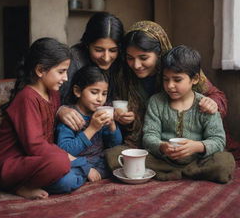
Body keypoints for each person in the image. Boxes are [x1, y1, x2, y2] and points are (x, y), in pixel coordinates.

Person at [105, 20, 229, 170]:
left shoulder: (181, 67)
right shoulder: (123, 75)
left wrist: (211, 103)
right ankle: (174, 170)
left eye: (143, 58)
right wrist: (120, 117)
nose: (136, 65)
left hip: (194, 148)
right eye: (130, 58)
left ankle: (174, 170)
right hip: (152, 145)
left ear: (159, 54)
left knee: (223, 162)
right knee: (114, 156)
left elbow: (215, 96)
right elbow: (113, 106)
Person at [0, 38, 87, 199]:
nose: (66, 78)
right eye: (61, 71)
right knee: (62, 164)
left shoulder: (53, 93)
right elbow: (34, 145)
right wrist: (68, 158)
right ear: (40, 70)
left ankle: (60, 175)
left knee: (68, 175)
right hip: (9, 165)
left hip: (33, 161)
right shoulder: (27, 97)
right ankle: (18, 187)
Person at [142, 45, 235, 183]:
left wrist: (198, 146)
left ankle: (179, 172)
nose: (170, 85)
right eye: (166, 79)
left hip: (197, 161)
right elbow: (149, 136)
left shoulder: (205, 105)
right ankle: (181, 172)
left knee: (224, 161)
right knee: (118, 155)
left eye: (177, 79)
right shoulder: (156, 102)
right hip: (164, 160)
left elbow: (218, 140)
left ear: (195, 79)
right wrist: (162, 146)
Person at [58, 12, 129, 132]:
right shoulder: (72, 60)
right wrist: (60, 110)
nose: (106, 58)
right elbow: (49, 95)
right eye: (98, 50)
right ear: (87, 44)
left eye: (113, 50)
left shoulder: (121, 61)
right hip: (71, 132)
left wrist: (118, 113)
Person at [56, 66, 122, 181]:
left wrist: (112, 125)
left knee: (121, 155)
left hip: (99, 160)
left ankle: (94, 174)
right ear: (77, 91)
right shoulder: (71, 116)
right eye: (94, 92)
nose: (100, 99)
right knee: (65, 179)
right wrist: (92, 128)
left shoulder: (100, 112)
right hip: (77, 163)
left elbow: (114, 144)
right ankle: (87, 174)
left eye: (104, 93)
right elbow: (65, 150)